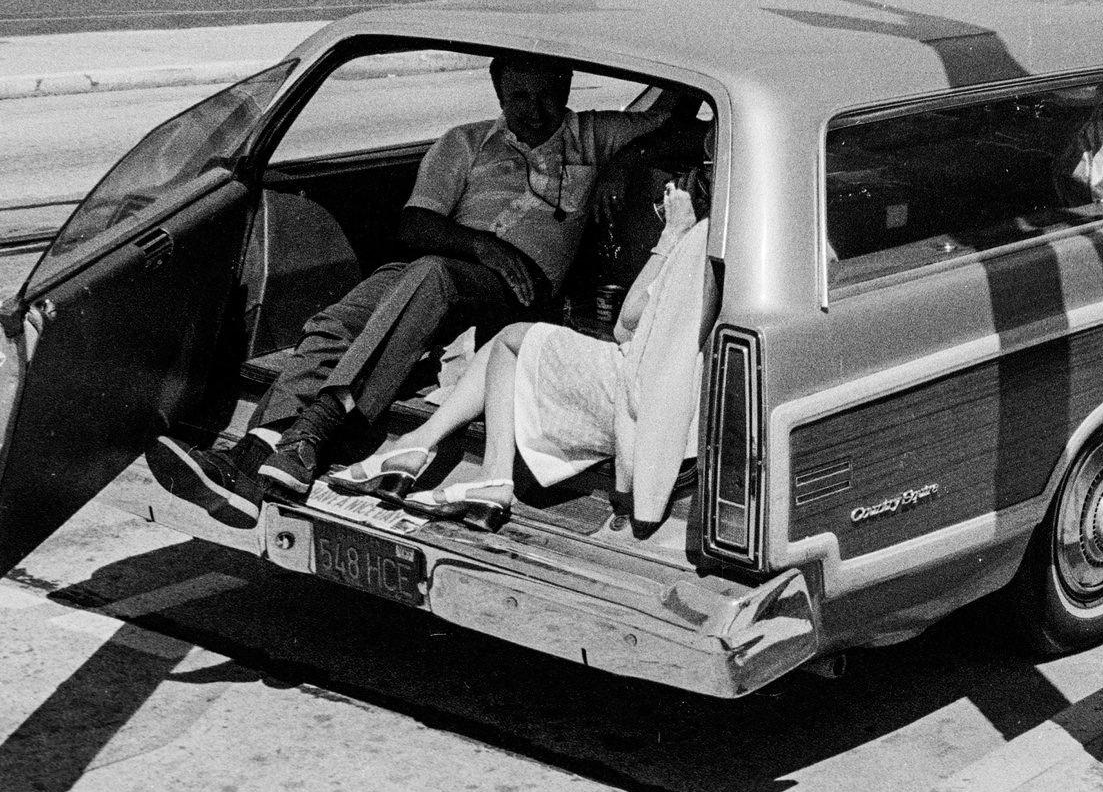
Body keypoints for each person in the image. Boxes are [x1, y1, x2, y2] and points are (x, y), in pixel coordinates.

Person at [150, 56, 672, 526]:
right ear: (498, 97)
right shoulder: (464, 142)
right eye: (519, 98)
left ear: (566, 90)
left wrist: (622, 164)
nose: (534, 111)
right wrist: (487, 248)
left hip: (516, 290)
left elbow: (680, 120)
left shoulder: (594, 134)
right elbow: (416, 224)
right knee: (336, 323)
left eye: (545, 96)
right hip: (444, 266)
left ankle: (312, 433)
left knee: (432, 275)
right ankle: (254, 457)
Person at [327, 107, 718, 530]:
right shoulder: (737, 234)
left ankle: (491, 474)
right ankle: (416, 444)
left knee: (514, 339)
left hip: (634, 397)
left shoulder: (698, 238)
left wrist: (670, 235)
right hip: (661, 391)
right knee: (502, 347)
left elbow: (627, 323)